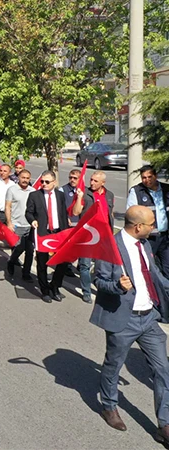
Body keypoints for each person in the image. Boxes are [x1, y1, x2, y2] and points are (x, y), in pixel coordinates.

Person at [91, 205, 169, 442]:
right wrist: (117, 286)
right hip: (123, 319)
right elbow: (99, 279)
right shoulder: (110, 246)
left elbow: (153, 275)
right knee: (113, 365)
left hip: (148, 318)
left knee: (163, 369)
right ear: (138, 227)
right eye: (151, 224)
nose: (154, 227)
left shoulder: (144, 244)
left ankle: (164, 424)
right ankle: (109, 405)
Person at [26, 170, 70, 303]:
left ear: (54, 182)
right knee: (42, 263)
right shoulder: (34, 195)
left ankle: (55, 286)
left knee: (62, 262)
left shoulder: (60, 196)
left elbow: (63, 214)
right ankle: (44, 290)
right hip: (43, 234)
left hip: (58, 233)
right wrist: (32, 220)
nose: (43, 184)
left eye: (47, 182)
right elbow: (28, 212)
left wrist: (66, 232)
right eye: (42, 181)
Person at [73, 170, 115, 304]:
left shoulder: (109, 195)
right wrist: (79, 197)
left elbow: (111, 214)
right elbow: (76, 212)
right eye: (91, 180)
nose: (92, 183)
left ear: (103, 183)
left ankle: (102, 290)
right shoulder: (84, 193)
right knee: (85, 265)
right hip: (87, 235)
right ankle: (86, 292)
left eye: (95, 181)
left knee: (102, 266)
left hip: (104, 236)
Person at [126, 165, 169, 283]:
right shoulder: (137, 191)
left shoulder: (166, 190)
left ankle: (165, 296)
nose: (147, 180)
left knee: (167, 268)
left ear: (155, 176)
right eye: (143, 177)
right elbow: (131, 213)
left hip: (165, 237)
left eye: (150, 177)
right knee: (147, 267)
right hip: (148, 238)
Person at [5, 169, 35, 282]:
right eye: (23, 178)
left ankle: (26, 274)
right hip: (17, 225)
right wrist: (9, 222)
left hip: (29, 225)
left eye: (27, 178)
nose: (25, 180)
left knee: (30, 251)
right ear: (19, 178)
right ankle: (11, 261)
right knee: (18, 248)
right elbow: (7, 206)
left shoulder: (33, 191)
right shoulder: (12, 190)